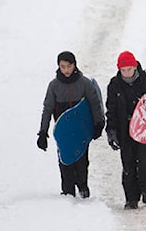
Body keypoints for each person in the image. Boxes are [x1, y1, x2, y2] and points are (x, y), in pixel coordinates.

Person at [36, 51, 104, 198]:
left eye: (69, 66)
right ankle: (68, 192)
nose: (66, 70)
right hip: (64, 132)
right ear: (58, 67)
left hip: (81, 129)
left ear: (74, 65)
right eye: (63, 66)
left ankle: (82, 186)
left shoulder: (84, 83)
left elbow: (94, 103)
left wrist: (98, 123)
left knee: (82, 160)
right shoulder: (54, 86)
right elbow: (47, 109)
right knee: (65, 160)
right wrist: (43, 132)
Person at [105, 51, 146, 209]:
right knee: (128, 164)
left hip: (144, 128)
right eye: (123, 70)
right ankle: (131, 198)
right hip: (124, 130)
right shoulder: (114, 85)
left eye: (129, 69)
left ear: (135, 67)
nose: (126, 73)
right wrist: (111, 131)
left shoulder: (144, 81)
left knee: (145, 161)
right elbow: (111, 109)